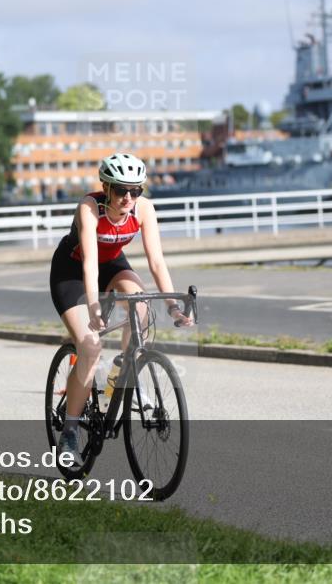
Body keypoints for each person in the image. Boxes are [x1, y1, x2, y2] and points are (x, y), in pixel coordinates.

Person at [49, 153, 194, 465]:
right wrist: (93, 308)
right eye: (120, 190)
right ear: (106, 188)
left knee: (140, 304)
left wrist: (172, 306)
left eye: (135, 190)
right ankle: (71, 432)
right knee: (89, 346)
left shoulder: (143, 209)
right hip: (72, 270)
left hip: (112, 263)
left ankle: (123, 372)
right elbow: (89, 263)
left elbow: (156, 262)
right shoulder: (89, 207)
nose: (128, 197)